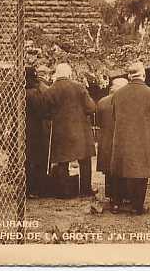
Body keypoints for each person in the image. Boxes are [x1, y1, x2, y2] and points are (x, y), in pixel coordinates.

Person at [108, 62, 150, 215]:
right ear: (143, 75)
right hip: (143, 139)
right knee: (141, 173)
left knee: (122, 170)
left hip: (123, 138)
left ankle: (116, 204)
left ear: (129, 75)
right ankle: (137, 207)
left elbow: (114, 116)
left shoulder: (117, 95)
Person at [42, 63, 96, 198]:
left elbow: (45, 113)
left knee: (62, 161)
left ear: (57, 74)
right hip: (80, 130)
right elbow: (91, 108)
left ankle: (64, 192)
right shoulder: (79, 87)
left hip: (60, 131)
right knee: (84, 160)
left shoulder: (50, 91)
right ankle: (85, 190)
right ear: (69, 74)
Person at [96, 78, 129, 204]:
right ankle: (124, 195)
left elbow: (98, 121)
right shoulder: (126, 102)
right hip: (121, 138)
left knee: (108, 169)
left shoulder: (102, 102)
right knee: (122, 168)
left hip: (105, 138)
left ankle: (111, 195)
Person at [25, 67, 51, 198]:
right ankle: (36, 189)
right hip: (36, 130)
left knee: (27, 160)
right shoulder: (34, 93)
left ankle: (28, 188)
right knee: (37, 159)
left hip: (24, 130)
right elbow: (42, 112)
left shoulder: (20, 92)